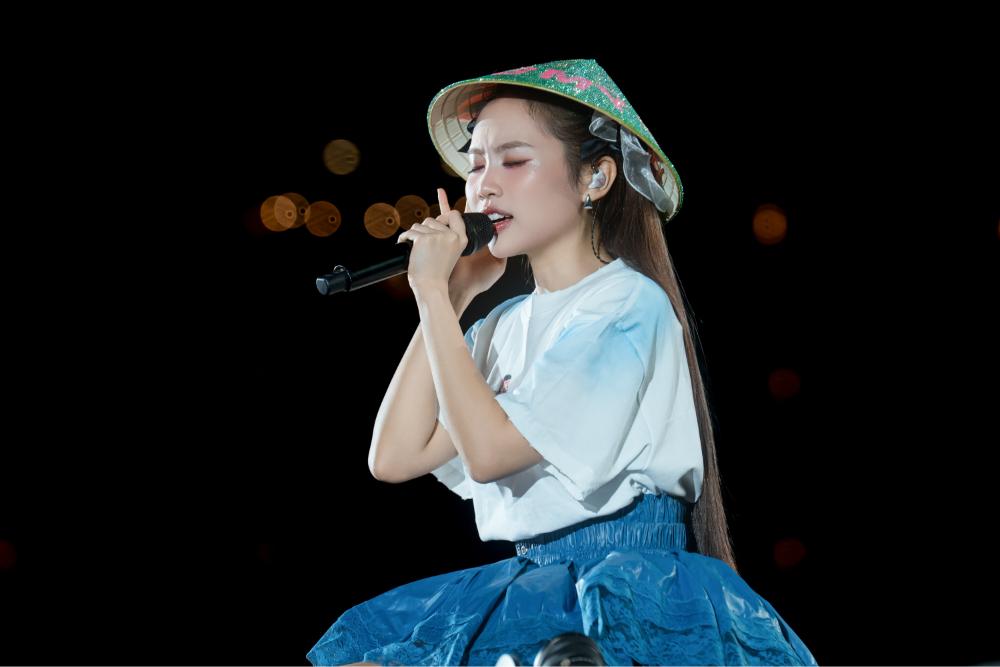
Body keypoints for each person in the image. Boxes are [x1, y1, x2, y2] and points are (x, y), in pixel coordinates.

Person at [306, 58, 819, 666]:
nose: (483, 187)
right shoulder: (502, 324)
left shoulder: (627, 304)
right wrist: (452, 297)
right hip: (535, 585)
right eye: (475, 165)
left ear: (594, 177)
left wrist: (432, 296)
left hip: (630, 588)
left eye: (513, 161)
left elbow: (490, 454)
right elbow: (393, 456)